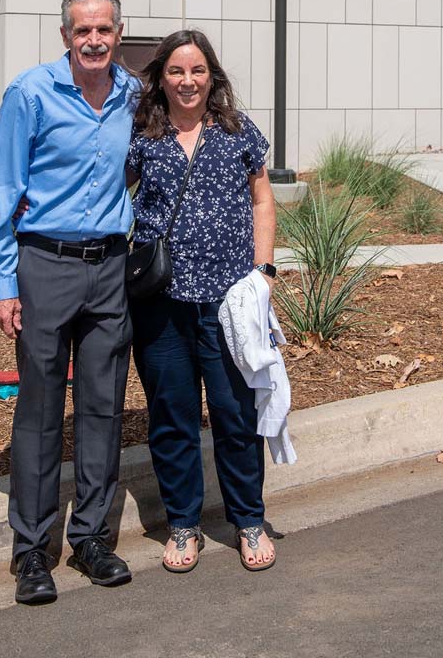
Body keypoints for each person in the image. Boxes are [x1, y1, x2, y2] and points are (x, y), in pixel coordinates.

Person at [0, 0, 138, 605]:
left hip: (111, 267)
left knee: (104, 406)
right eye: (82, 31)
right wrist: (0, 283)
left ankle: (93, 538)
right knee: (41, 410)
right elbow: (1, 188)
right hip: (43, 264)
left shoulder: (134, 94)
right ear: (66, 36)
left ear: (118, 33)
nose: (93, 40)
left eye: (103, 30)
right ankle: (32, 552)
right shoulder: (30, 93)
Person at [126, 29, 278, 574]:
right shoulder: (141, 133)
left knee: (235, 415)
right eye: (176, 71)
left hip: (230, 301)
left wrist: (262, 272)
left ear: (211, 76)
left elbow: (263, 199)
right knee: (172, 415)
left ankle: (248, 519)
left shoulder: (239, 130)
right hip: (160, 300)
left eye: (197, 71)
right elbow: (112, 195)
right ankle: (184, 523)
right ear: (160, 78)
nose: (187, 81)